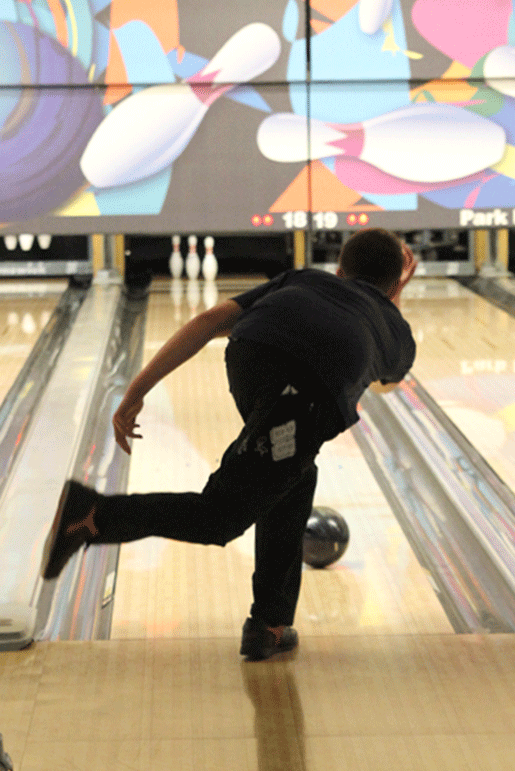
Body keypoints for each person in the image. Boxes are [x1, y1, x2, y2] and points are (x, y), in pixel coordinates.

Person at [41, 228, 417, 659]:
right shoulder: (393, 327)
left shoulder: (303, 278)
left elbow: (209, 322)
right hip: (305, 391)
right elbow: (388, 383)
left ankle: (269, 625)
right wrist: (392, 300)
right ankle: (90, 515)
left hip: (248, 357)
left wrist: (136, 391)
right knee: (220, 517)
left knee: (293, 474)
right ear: (394, 285)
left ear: (339, 269)